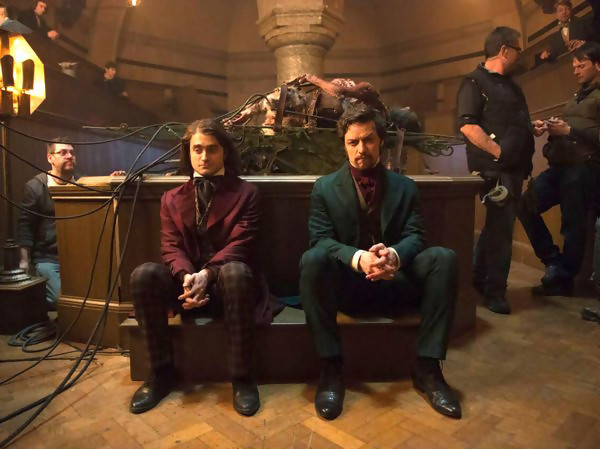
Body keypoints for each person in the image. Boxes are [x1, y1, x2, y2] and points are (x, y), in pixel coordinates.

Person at [299, 103, 461, 421]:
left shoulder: (405, 186)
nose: (361, 149)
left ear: (380, 141)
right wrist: (359, 259)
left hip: (396, 283)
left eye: (368, 140)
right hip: (349, 287)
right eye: (353, 142)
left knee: (444, 259)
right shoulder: (324, 188)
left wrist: (394, 257)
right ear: (344, 144)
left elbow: (416, 236)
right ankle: (331, 368)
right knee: (312, 259)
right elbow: (320, 239)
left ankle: (428, 369)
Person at [128, 119, 274, 416]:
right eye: (197, 149)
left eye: (212, 149)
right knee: (143, 275)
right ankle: (161, 373)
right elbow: (170, 247)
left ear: (224, 152)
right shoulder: (171, 198)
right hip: (186, 289)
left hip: (227, 285)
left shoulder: (247, 194)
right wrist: (186, 277)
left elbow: (241, 244)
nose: (204, 156)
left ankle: (242, 377)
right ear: (189, 152)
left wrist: (206, 275)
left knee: (236, 271)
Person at [457, 26, 539, 315]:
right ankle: (495, 293)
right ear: (505, 50)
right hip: (495, 170)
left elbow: (510, 123)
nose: (520, 56)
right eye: (518, 50)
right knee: (502, 230)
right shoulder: (474, 81)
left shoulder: (511, 85)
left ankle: (478, 279)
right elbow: (468, 126)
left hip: (513, 169)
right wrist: (499, 152)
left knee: (495, 226)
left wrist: (531, 128)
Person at [519, 41, 600, 297]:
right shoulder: (579, 94)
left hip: (584, 168)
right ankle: (553, 262)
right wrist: (552, 126)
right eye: (574, 66)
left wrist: (569, 130)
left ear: (598, 65)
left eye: (581, 65)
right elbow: (573, 125)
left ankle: (563, 279)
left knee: (573, 227)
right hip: (560, 165)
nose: (575, 70)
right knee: (525, 204)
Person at [17, 138, 76, 311]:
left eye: (72, 152)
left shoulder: (82, 184)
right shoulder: (36, 187)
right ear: (50, 158)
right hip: (48, 258)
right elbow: (25, 225)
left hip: (78, 257)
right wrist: (24, 261)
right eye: (63, 153)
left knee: (93, 298)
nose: (69, 156)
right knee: (63, 302)